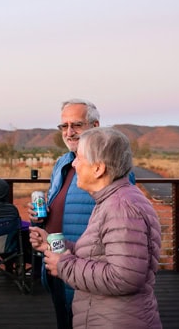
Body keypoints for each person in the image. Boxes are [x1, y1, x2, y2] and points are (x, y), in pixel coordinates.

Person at [31, 127, 162, 328]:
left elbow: (123, 278)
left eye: (80, 159)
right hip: (108, 315)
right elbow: (97, 253)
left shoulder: (120, 208)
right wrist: (51, 244)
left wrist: (63, 265)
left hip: (117, 320)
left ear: (98, 169)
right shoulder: (112, 200)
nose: (74, 163)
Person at [26, 99, 136, 329]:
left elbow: (121, 219)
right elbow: (57, 203)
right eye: (63, 126)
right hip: (57, 261)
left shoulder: (109, 167)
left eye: (76, 125)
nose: (69, 132)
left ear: (95, 125)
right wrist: (40, 218)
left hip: (89, 271)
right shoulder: (62, 163)